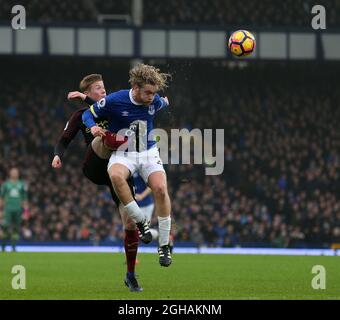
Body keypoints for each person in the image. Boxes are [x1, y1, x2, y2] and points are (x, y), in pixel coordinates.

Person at [52, 74, 143, 292]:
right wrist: (58, 155)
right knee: (101, 136)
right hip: (95, 164)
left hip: (118, 171)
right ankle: (132, 144)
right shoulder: (81, 115)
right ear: (89, 92)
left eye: (104, 87)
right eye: (99, 89)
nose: (103, 91)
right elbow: (64, 139)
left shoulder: (112, 108)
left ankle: (130, 275)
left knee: (130, 224)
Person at [82, 64, 173, 267]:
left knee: (160, 188)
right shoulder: (115, 100)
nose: (151, 97)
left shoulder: (155, 100)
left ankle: (164, 245)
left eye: (154, 93)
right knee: (115, 175)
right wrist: (93, 126)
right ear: (135, 87)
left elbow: (161, 103)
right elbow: (87, 114)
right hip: (124, 154)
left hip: (148, 151)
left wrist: (164, 101)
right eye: (147, 92)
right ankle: (141, 221)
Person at [0, 168, 28, 252]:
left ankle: (13, 247)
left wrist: (26, 212)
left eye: (16, 172)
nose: (14, 174)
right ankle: (3, 247)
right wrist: (1, 210)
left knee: (16, 228)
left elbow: (25, 199)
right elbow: (1, 198)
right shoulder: (6, 185)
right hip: (7, 209)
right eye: (13, 172)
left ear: (18, 174)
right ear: (10, 174)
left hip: (18, 209)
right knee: (5, 227)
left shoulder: (22, 184)